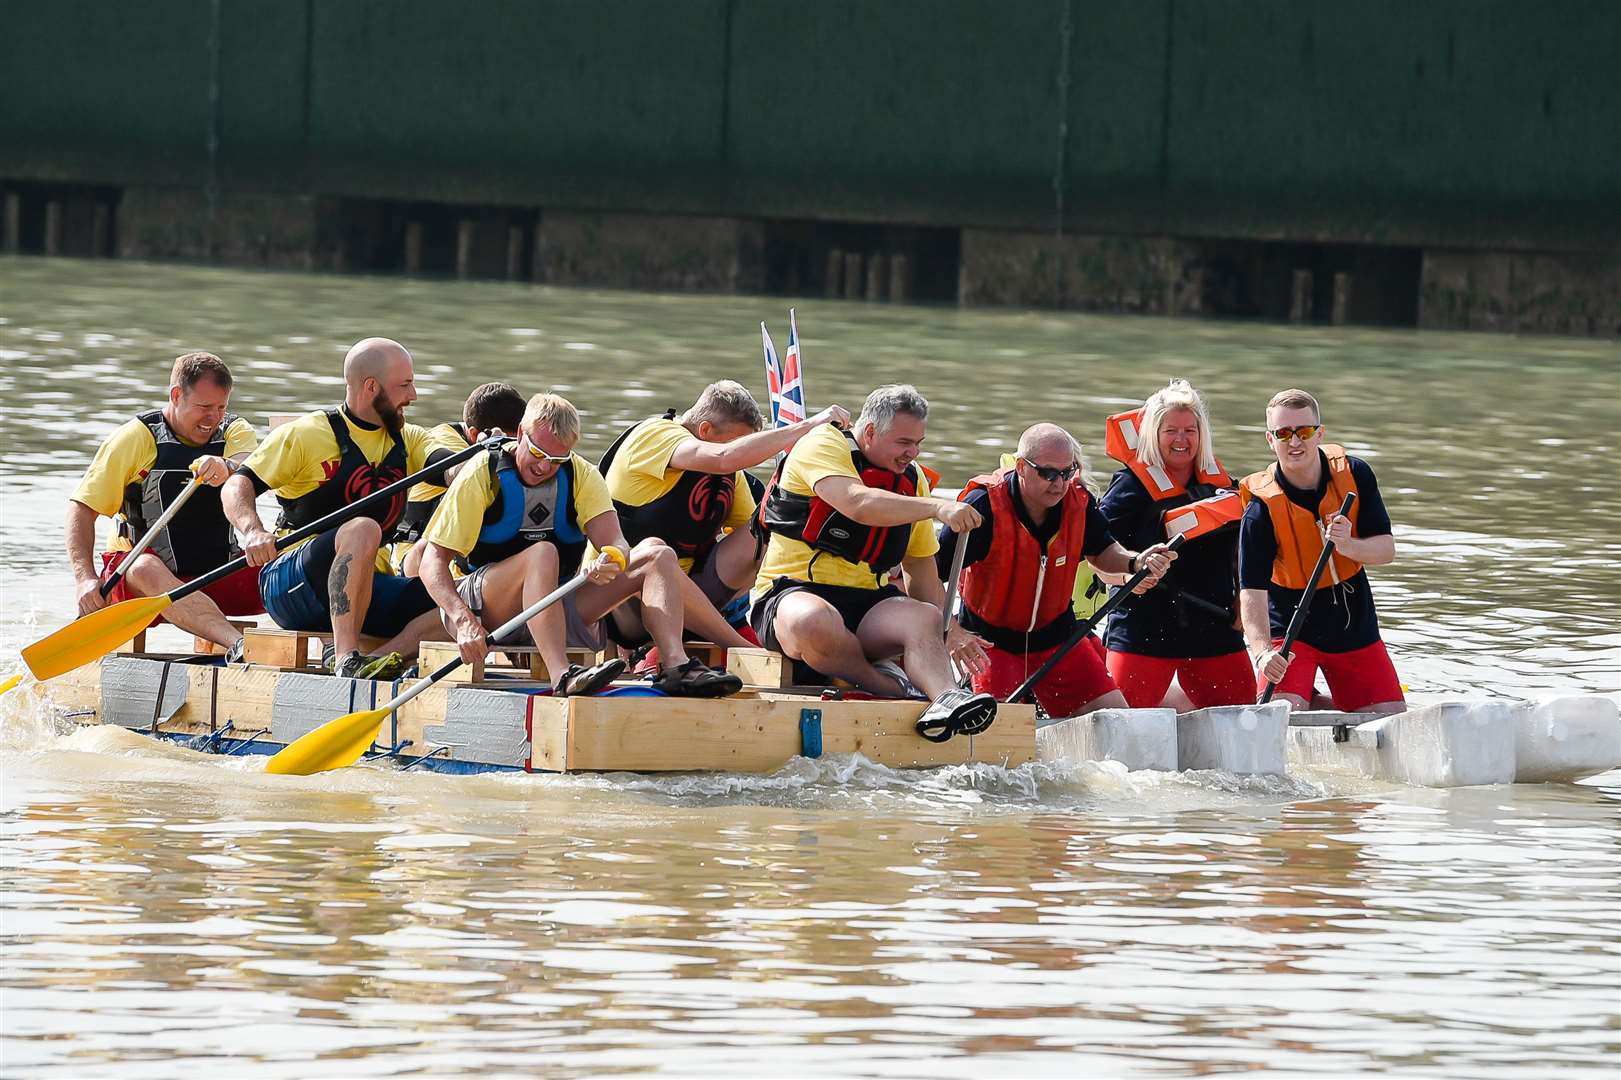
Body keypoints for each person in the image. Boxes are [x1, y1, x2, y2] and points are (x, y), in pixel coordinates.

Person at [416, 392, 742, 697]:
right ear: (519, 435)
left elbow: (616, 541)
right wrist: (463, 622)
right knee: (543, 553)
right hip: (488, 609)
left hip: (553, 603)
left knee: (657, 552)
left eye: (556, 459)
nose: (544, 467)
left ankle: (676, 666)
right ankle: (562, 676)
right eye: (538, 453)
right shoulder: (482, 473)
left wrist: (611, 558)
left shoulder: (581, 475)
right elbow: (433, 562)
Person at [751, 384, 997, 738]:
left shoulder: (912, 482)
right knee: (815, 620)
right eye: (903, 443)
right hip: (789, 593)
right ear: (869, 432)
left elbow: (922, 574)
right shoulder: (822, 444)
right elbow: (857, 503)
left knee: (926, 616)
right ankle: (889, 688)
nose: (912, 453)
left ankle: (946, 698)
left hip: (866, 603)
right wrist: (938, 507)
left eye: (918, 444)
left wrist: (951, 632)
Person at [222, 337, 446, 679]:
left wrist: (478, 463)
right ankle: (346, 659)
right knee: (363, 527)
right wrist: (252, 530)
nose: (413, 395)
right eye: (405, 385)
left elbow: (446, 465)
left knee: (463, 600)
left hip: (365, 588)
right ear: (371, 387)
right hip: (290, 584)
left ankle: (381, 660)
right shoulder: (308, 434)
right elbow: (238, 484)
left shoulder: (409, 438)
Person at [597, 380, 850, 655]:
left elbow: (759, 533)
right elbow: (724, 457)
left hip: (691, 599)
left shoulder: (728, 472)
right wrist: (807, 427)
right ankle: (742, 650)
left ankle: (805, 627)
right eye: (742, 444)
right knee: (659, 555)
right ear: (704, 430)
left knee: (768, 534)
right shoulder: (655, 435)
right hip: (623, 602)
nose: (748, 455)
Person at [941, 424, 1176, 719]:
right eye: (1048, 473)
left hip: (1057, 640)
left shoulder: (1078, 502)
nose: (1059, 483)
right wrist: (952, 632)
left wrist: (1135, 562)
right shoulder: (982, 508)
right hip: (990, 643)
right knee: (998, 735)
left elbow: (1103, 551)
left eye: (1068, 472)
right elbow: (929, 576)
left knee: (1118, 722)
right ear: (1022, 467)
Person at [66, 352, 263, 656]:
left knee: (286, 565)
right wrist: (85, 580)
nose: (214, 418)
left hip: (214, 570)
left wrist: (227, 466)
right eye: (204, 407)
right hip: (138, 582)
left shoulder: (234, 430)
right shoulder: (135, 438)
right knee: (143, 567)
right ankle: (238, 645)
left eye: (221, 407)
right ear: (176, 395)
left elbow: (248, 464)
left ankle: (341, 649)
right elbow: (81, 509)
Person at [1238, 388, 1404, 713]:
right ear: (1270, 440)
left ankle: (1322, 704)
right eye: (1284, 434)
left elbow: (1386, 550)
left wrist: (1348, 545)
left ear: (1320, 433)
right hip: (1289, 627)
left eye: (1304, 431)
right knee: (1281, 714)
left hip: (1353, 620)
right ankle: (1305, 701)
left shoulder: (1355, 475)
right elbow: (1251, 592)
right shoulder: (1260, 508)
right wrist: (1261, 654)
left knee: (1390, 719)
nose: (1295, 442)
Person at [1098, 380, 1253, 709]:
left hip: (1214, 628)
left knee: (1244, 722)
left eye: (1190, 430)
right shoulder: (1128, 489)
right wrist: (1127, 578)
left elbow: (1246, 551)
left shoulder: (1225, 487)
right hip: (1144, 631)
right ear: (1154, 433)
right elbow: (1096, 553)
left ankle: (1177, 715)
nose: (1181, 440)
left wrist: (1245, 597)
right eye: (1171, 430)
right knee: (1124, 730)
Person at [395, 381, 527, 577]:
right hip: (415, 558)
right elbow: (467, 473)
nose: (513, 451)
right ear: (475, 434)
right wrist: (494, 450)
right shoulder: (442, 440)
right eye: (509, 443)